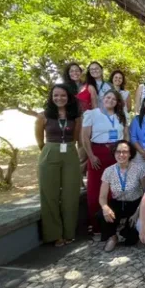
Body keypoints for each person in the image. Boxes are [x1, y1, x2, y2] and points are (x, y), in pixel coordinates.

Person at [35, 84, 81, 246]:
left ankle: (69, 232)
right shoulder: (43, 116)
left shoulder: (75, 117)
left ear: (68, 97)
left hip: (70, 153)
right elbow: (39, 140)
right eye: (56, 95)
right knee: (49, 195)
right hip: (50, 153)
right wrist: (50, 150)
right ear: (51, 97)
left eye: (63, 95)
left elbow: (76, 138)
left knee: (71, 194)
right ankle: (54, 234)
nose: (59, 98)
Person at [82, 89, 128, 235]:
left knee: (115, 189)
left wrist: (124, 154)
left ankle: (113, 223)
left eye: (114, 99)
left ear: (117, 102)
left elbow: (126, 135)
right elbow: (85, 137)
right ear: (103, 98)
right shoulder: (92, 114)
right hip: (98, 154)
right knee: (95, 189)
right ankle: (96, 225)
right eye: (108, 97)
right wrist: (91, 155)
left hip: (116, 154)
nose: (110, 101)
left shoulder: (121, 115)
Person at [98, 140, 145, 252]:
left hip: (135, 204)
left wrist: (138, 212)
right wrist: (105, 208)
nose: (121, 154)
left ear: (130, 154)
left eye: (125, 152)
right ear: (114, 153)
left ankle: (126, 230)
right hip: (117, 203)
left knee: (131, 240)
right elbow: (102, 197)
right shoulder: (108, 171)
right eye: (118, 151)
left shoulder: (139, 169)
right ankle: (112, 237)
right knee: (101, 214)